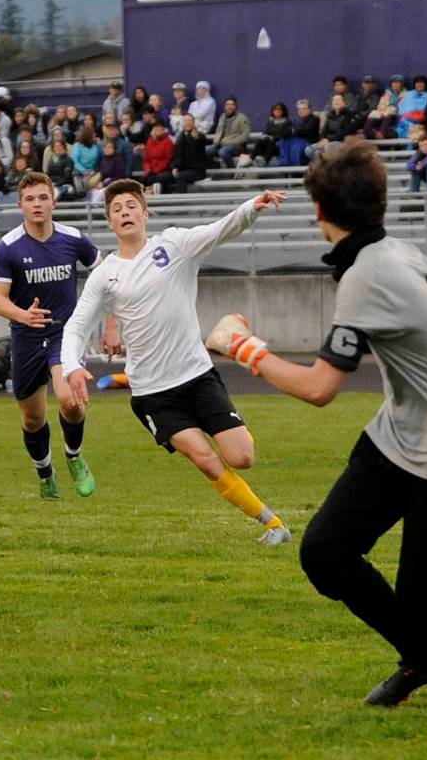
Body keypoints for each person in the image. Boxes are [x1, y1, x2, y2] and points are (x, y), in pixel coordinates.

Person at [205, 141, 427, 706]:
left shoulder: (366, 275)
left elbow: (319, 389)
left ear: (321, 213)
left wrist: (243, 348)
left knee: (425, 598)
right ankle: (423, 658)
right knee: (325, 552)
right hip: (398, 434)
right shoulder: (398, 250)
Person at [61, 179, 291, 546]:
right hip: (153, 393)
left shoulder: (174, 244)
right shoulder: (105, 275)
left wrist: (253, 205)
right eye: (117, 209)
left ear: (145, 212)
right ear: (109, 222)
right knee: (204, 459)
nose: (125, 213)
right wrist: (72, 365)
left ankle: (265, 507)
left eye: (131, 206)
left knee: (242, 456)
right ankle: (272, 523)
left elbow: (220, 230)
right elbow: (76, 324)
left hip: (198, 376)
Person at [0, 172, 114, 500]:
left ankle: (74, 457)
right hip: (26, 338)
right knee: (33, 418)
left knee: (71, 402)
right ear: (20, 205)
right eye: (30, 199)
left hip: (66, 334)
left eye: (43, 198)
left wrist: (112, 324)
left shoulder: (73, 239)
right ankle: (45, 473)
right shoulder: (9, 247)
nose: (37, 204)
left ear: (53, 202)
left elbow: (107, 279)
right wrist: (23, 315)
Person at [206, 97, 250, 168]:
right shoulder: (222, 117)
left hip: (237, 147)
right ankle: (216, 170)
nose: (230, 107)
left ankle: (232, 172)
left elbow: (245, 136)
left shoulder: (242, 118)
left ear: (236, 106)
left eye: (232, 104)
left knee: (223, 152)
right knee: (205, 150)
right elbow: (218, 131)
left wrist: (228, 142)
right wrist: (216, 142)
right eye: (227, 104)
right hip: (221, 145)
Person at [171, 113, 208, 192]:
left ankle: (181, 200)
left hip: (197, 171)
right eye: (185, 120)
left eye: (189, 120)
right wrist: (174, 167)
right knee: (166, 176)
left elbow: (203, 142)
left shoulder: (199, 135)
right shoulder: (180, 137)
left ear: (193, 122)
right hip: (184, 169)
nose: (187, 122)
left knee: (180, 176)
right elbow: (176, 155)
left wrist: (197, 139)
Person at [277, 99, 320, 166]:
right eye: (299, 109)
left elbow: (307, 130)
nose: (301, 111)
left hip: (308, 142)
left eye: (303, 109)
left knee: (296, 146)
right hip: (296, 140)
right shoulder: (295, 120)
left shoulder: (314, 119)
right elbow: (289, 131)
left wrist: (293, 130)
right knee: (283, 142)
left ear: (309, 110)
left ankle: (296, 170)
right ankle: (285, 165)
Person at [363, 75, 406, 141]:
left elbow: (402, 107)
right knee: (374, 113)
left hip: (395, 115)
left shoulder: (406, 94)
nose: (395, 84)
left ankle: (381, 134)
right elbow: (381, 104)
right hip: (383, 111)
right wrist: (382, 111)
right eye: (393, 82)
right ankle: (367, 132)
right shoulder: (387, 93)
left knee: (388, 113)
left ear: (402, 84)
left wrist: (389, 109)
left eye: (398, 82)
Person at [253, 102, 291, 166]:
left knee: (272, 139)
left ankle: (265, 161)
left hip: (279, 146)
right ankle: (251, 158)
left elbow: (283, 135)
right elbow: (265, 132)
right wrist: (266, 136)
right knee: (261, 139)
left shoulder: (287, 122)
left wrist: (272, 135)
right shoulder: (270, 121)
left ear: (283, 111)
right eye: (275, 109)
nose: (277, 111)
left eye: (279, 109)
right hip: (268, 146)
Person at [141, 118, 174, 191]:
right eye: (156, 127)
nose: (158, 129)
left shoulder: (168, 142)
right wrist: (148, 170)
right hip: (151, 170)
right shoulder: (149, 142)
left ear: (164, 128)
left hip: (164, 170)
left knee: (159, 178)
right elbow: (146, 160)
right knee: (143, 179)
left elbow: (167, 160)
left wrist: (155, 171)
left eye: (160, 127)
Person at [396, 75, 427, 140]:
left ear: (425, 84)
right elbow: (401, 108)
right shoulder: (408, 94)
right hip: (405, 120)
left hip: (420, 120)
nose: (419, 85)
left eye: (421, 83)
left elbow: (426, 110)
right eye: (417, 83)